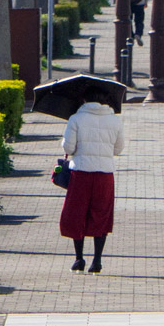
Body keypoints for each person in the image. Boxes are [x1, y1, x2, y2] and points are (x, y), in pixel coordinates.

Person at [59, 83, 125, 273]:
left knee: (76, 214)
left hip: (81, 173)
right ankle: (97, 260)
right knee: (101, 215)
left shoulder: (76, 119)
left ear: (84, 99)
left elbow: (69, 148)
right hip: (105, 174)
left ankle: (79, 259)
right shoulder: (115, 121)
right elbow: (118, 149)